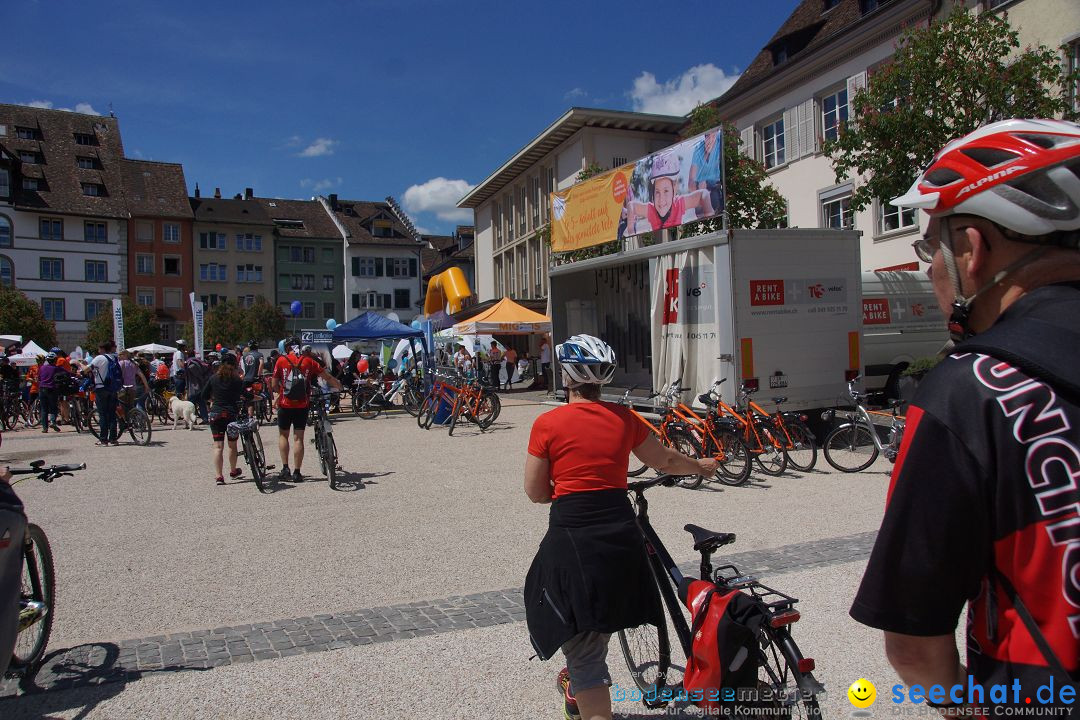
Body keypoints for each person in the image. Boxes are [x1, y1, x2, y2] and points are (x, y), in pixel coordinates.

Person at [850, 119, 1080, 710]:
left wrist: (961, 706)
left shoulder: (971, 390)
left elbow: (913, 642)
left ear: (973, 251)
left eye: (932, 247)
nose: (929, 269)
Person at [524, 334, 717, 720]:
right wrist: (701, 466)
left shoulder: (547, 424)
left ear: (567, 377)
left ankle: (585, 694)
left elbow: (535, 492)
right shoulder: (625, 418)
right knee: (604, 614)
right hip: (620, 533)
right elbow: (665, 460)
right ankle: (579, 687)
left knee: (583, 648)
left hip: (573, 533)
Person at [272, 337, 342, 482]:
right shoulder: (308, 361)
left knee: (283, 436)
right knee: (299, 438)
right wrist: (339, 385)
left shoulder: (281, 360)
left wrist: (278, 393)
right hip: (302, 405)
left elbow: (274, 383)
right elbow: (327, 377)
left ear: (287, 348)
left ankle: (285, 469)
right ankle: (297, 472)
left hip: (285, 404)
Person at [625, 153, 714, 232]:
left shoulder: (679, 203)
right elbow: (631, 205)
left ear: (674, 189)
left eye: (666, 191)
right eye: (657, 192)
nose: (661, 199)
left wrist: (709, 216)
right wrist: (631, 230)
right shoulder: (651, 210)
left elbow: (704, 194)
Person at [200, 353, 246, 486]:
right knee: (232, 445)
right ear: (235, 365)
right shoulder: (237, 379)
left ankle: (219, 476)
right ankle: (233, 470)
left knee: (218, 446)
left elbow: (203, 395)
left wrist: (212, 400)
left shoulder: (213, 378)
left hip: (216, 414)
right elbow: (245, 394)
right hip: (232, 415)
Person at [89, 340, 121, 446]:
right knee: (112, 414)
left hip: (101, 388)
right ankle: (113, 439)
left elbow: (87, 369)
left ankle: (103, 439)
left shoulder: (99, 358)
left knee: (102, 414)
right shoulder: (114, 358)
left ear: (103, 349)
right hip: (112, 388)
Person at [688, 127, 723, 219]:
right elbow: (690, 183)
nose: (710, 140)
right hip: (701, 193)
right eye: (708, 137)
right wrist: (698, 186)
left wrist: (706, 183)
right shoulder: (698, 150)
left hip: (715, 188)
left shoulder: (719, 140)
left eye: (713, 137)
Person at [36, 352, 70, 433]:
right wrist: (77, 375)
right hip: (52, 389)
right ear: (55, 360)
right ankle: (52, 421)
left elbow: (39, 378)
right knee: (53, 407)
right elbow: (68, 373)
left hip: (42, 388)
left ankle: (45, 428)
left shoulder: (42, 368)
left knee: (44, 409)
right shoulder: (56, 368)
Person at [184, 351, 211, 423]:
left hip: (194, 387)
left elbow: (198, 375)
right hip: (200, 387)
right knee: (201, 403)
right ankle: (204, 419)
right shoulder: (197, 361)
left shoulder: (191, 364)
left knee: (191, 404)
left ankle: (193, 420)